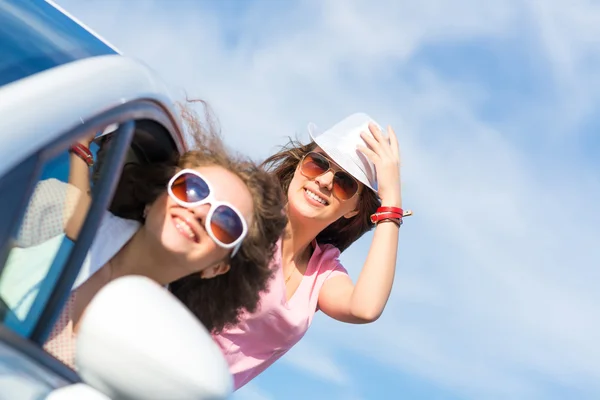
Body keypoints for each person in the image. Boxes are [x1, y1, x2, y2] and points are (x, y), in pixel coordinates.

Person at [7, 103, 288, 368]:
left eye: (226, 222)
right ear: (153, 200)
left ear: (217, 267)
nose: (201, 211)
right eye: (191, 189)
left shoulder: (160, 355)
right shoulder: (52, 208)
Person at [172, 112, 411, 390]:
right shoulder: (245, 214)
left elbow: (365, 308)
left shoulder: (322, 271)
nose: (323, 181)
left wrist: (391, 197)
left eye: (345, 183)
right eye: (317, 164)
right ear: (299, 166)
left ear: (356, 208)